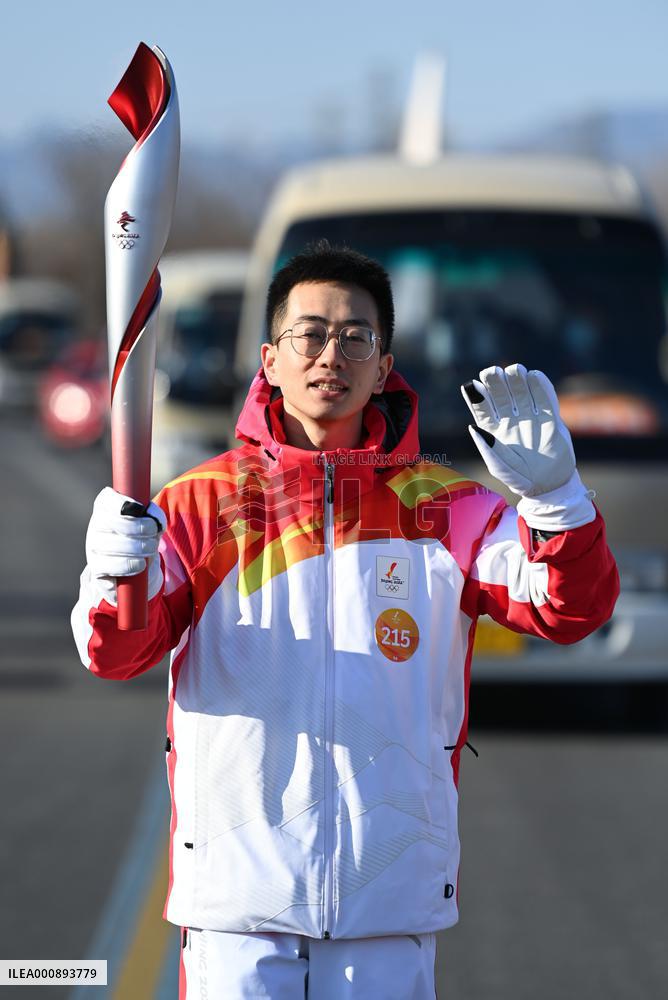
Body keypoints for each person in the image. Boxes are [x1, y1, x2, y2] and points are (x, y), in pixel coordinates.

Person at [72, 241, 619, 999]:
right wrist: (113, 576)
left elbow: (570, 610)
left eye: (355, 336)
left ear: (384, 363)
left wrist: (558, 501)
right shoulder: (197, 507)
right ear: (269, 359)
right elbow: (119, 653)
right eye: (310, 333)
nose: (332, 353)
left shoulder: (448, 509)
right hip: (239, 905)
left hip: (389, 901)